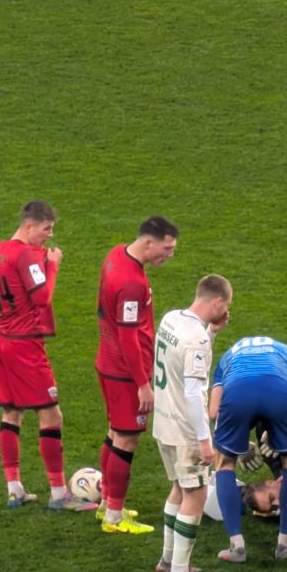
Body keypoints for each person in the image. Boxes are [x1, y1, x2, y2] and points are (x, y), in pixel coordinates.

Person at [0, 201, 96, 511]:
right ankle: (59, 494)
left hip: (1, 342)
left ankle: (14, 489)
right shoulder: (27, 255)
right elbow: (42, 298)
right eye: (46, 229)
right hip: (24, 346)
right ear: (28, 227)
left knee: (11, 412)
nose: (49, 236)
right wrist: (53, 265)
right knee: (51, 415)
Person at [95, 215, 179, 534]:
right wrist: (143, 384)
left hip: (108, 362)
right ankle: (115, 517)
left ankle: (106, 503)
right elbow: (128, 337)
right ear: (147, 243)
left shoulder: (117, 254)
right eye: (166, 248)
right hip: (125, 372)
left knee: (115, 433)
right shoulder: (132, 283)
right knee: (127, 439)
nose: (170, 254)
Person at [151, 274, 232, 572]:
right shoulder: (196, 340)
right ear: (218, 302)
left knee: (178, 489)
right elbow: (194, 392)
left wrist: (212, 332)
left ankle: (168, 561)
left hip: (163, 422)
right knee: (195, 495)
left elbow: (182, 361)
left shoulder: (171, 319)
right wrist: (204, 439)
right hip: (186, 430)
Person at [209, 335, 287, 562]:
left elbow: (214, 412)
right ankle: (285, 543)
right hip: (277, 392)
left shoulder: (227, 357)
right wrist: (279, 434)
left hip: (237, 395)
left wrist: (239, 444)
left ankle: (236, 546)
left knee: (224, 464)